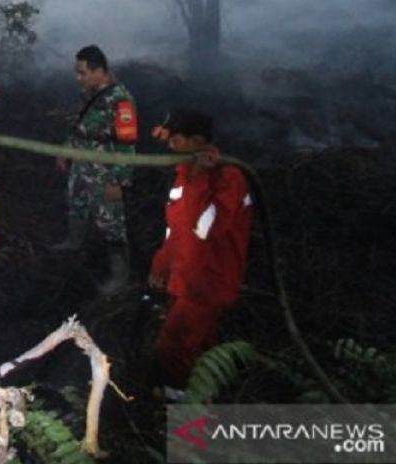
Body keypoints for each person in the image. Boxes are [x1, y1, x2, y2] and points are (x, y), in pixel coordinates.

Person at [148, 108, 253, 402]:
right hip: (186, 276)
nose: (171, 147)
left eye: (176, 141)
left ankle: (179, 407)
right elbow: (175, 227)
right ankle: (206, 391)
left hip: (207, 281)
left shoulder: (228, 177)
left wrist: (199, 177)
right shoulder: (185, 173)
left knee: (174, 345)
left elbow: (204, 229)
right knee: (199, 344)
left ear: (197, 141)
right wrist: (162, 264)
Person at [53, 45, 138, 294]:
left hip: (105, 173)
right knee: (76, 202)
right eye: (77, 73)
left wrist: (118, 181)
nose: (78, 78)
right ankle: (73, 241)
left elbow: (128, 145)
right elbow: (78, 123)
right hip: (81, 165)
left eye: (82, 73)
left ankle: (120, 277)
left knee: (111, 224)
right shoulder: (89, 93)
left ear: (99, 70)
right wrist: (65, 150)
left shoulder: (121, 101)